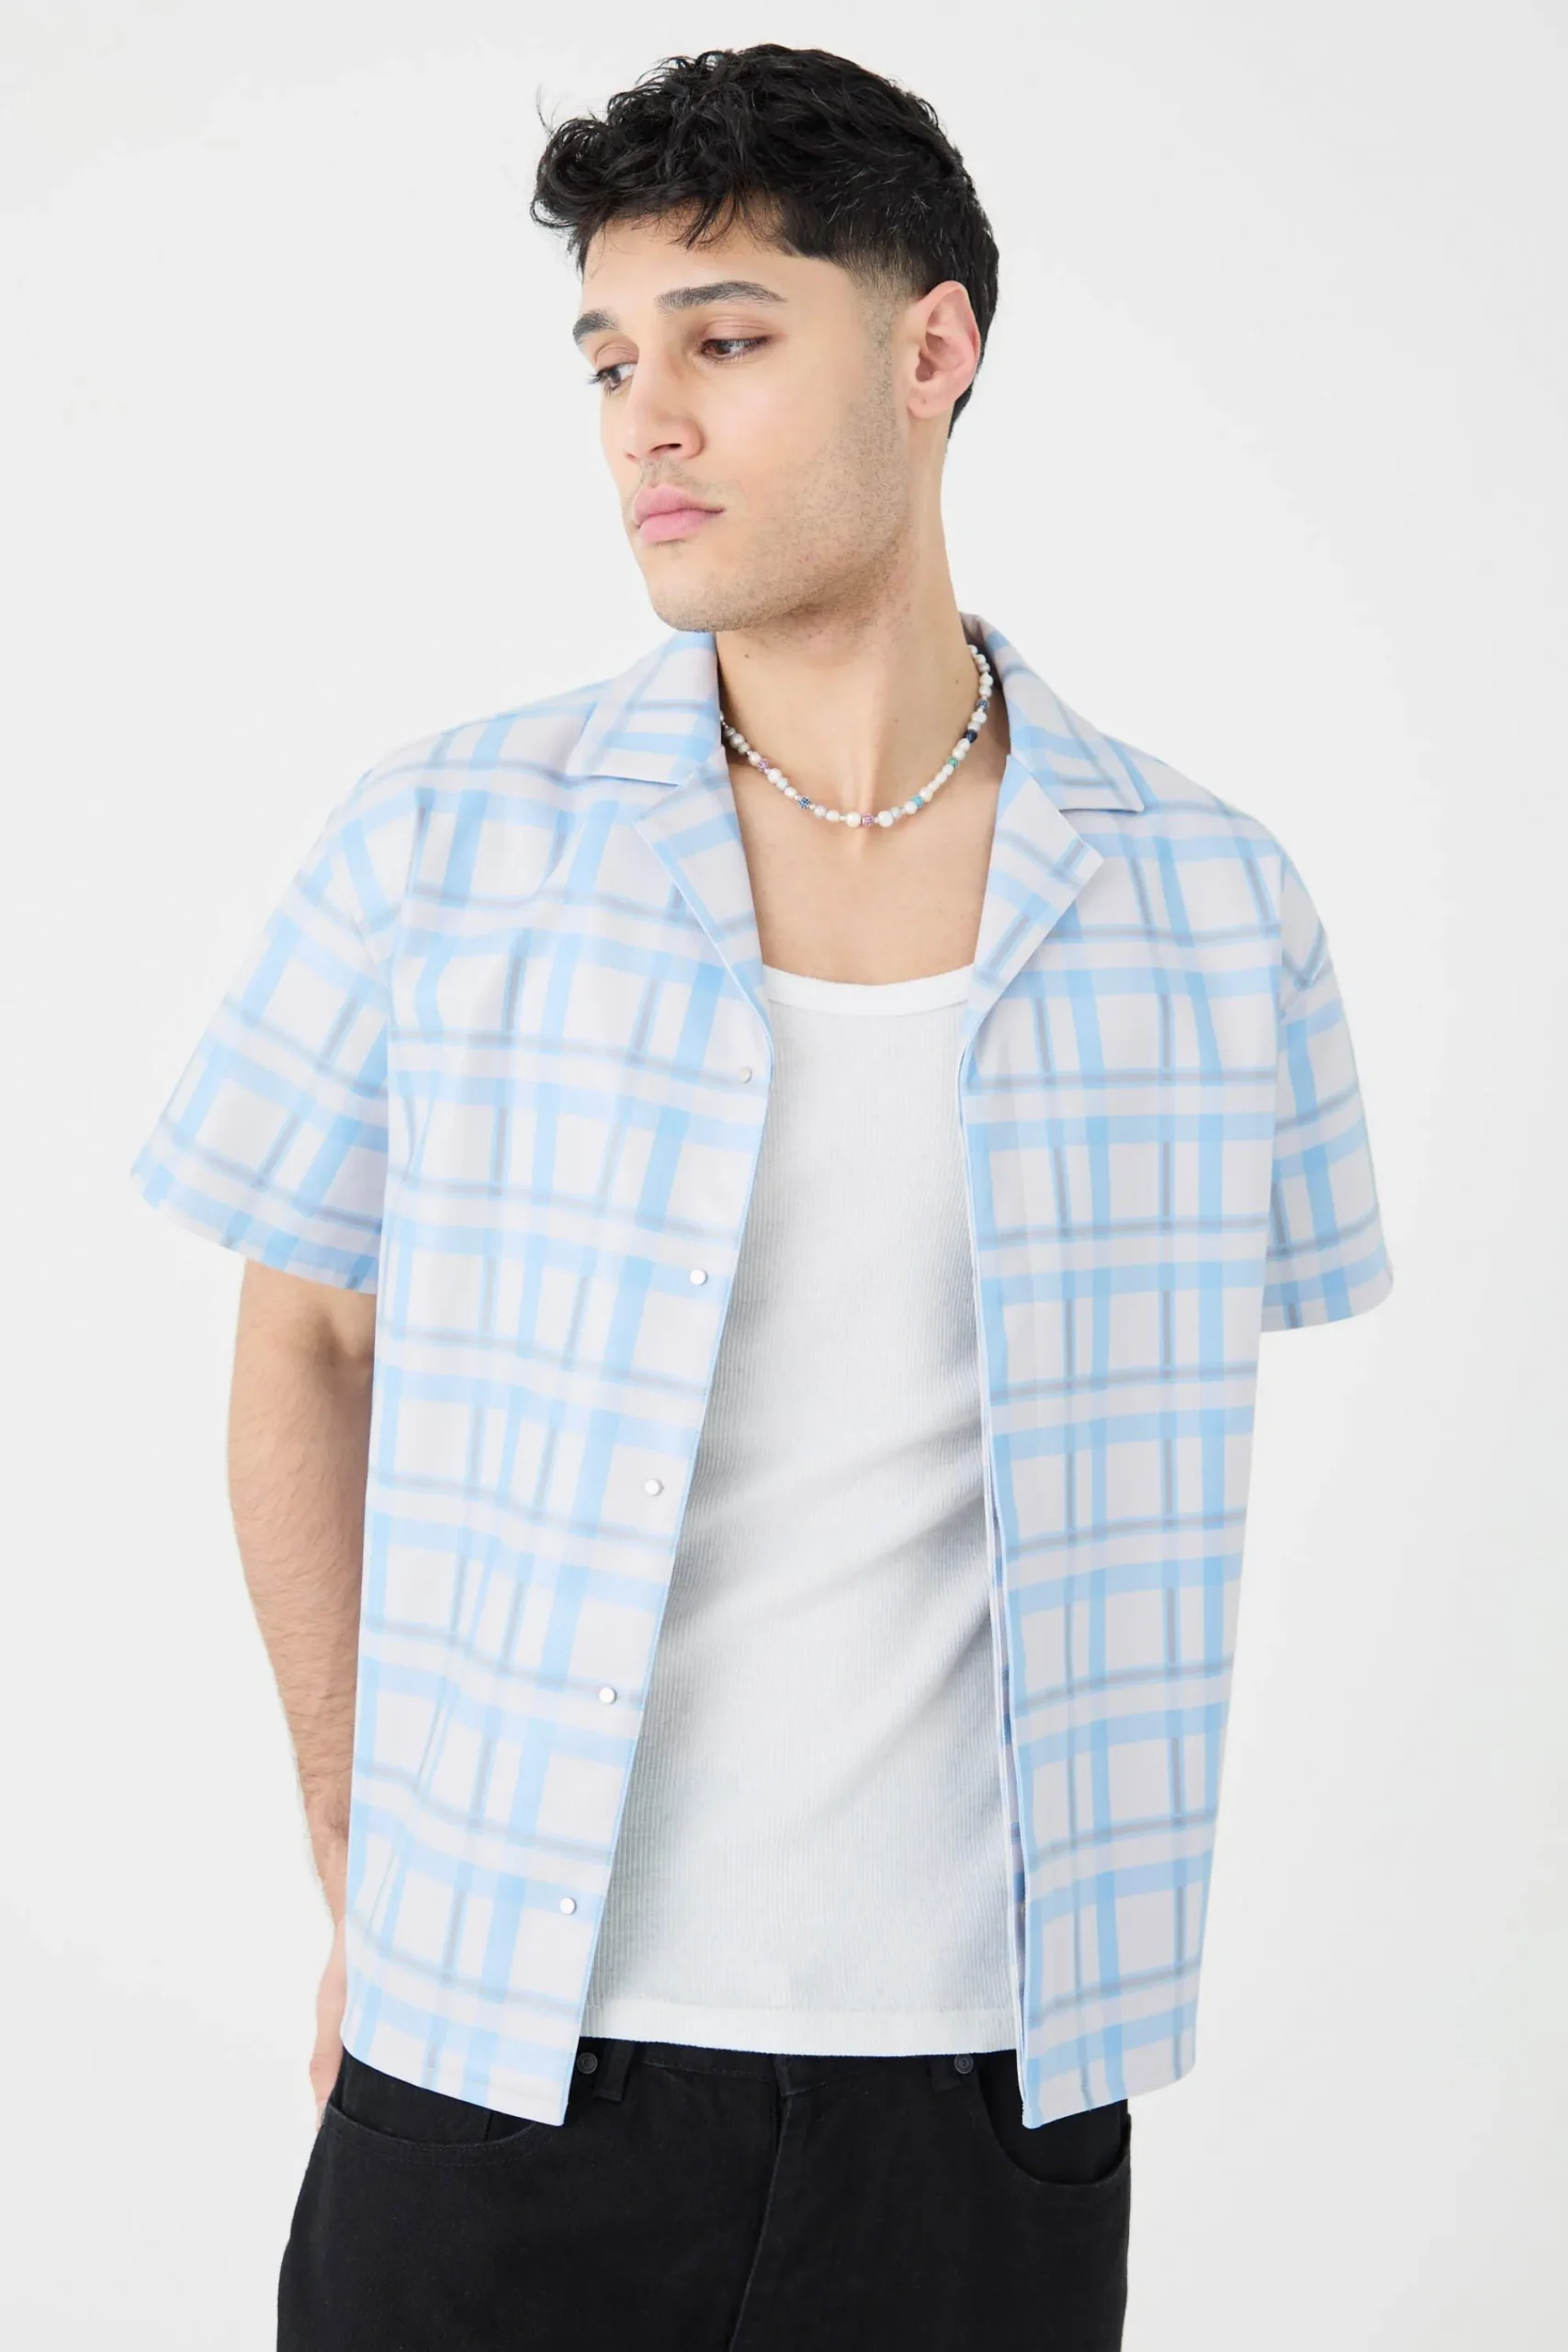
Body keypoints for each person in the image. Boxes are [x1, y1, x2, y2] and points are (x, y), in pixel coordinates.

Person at [131, 40, 1394, 2352]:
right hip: (496, 2060)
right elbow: (302, 1346)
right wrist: (366, 1859)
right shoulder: (443, 849)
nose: (648, 422)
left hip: (988, 2096)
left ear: (932, 351)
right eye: (610, 360)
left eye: (723, 340)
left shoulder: (1214, 907)